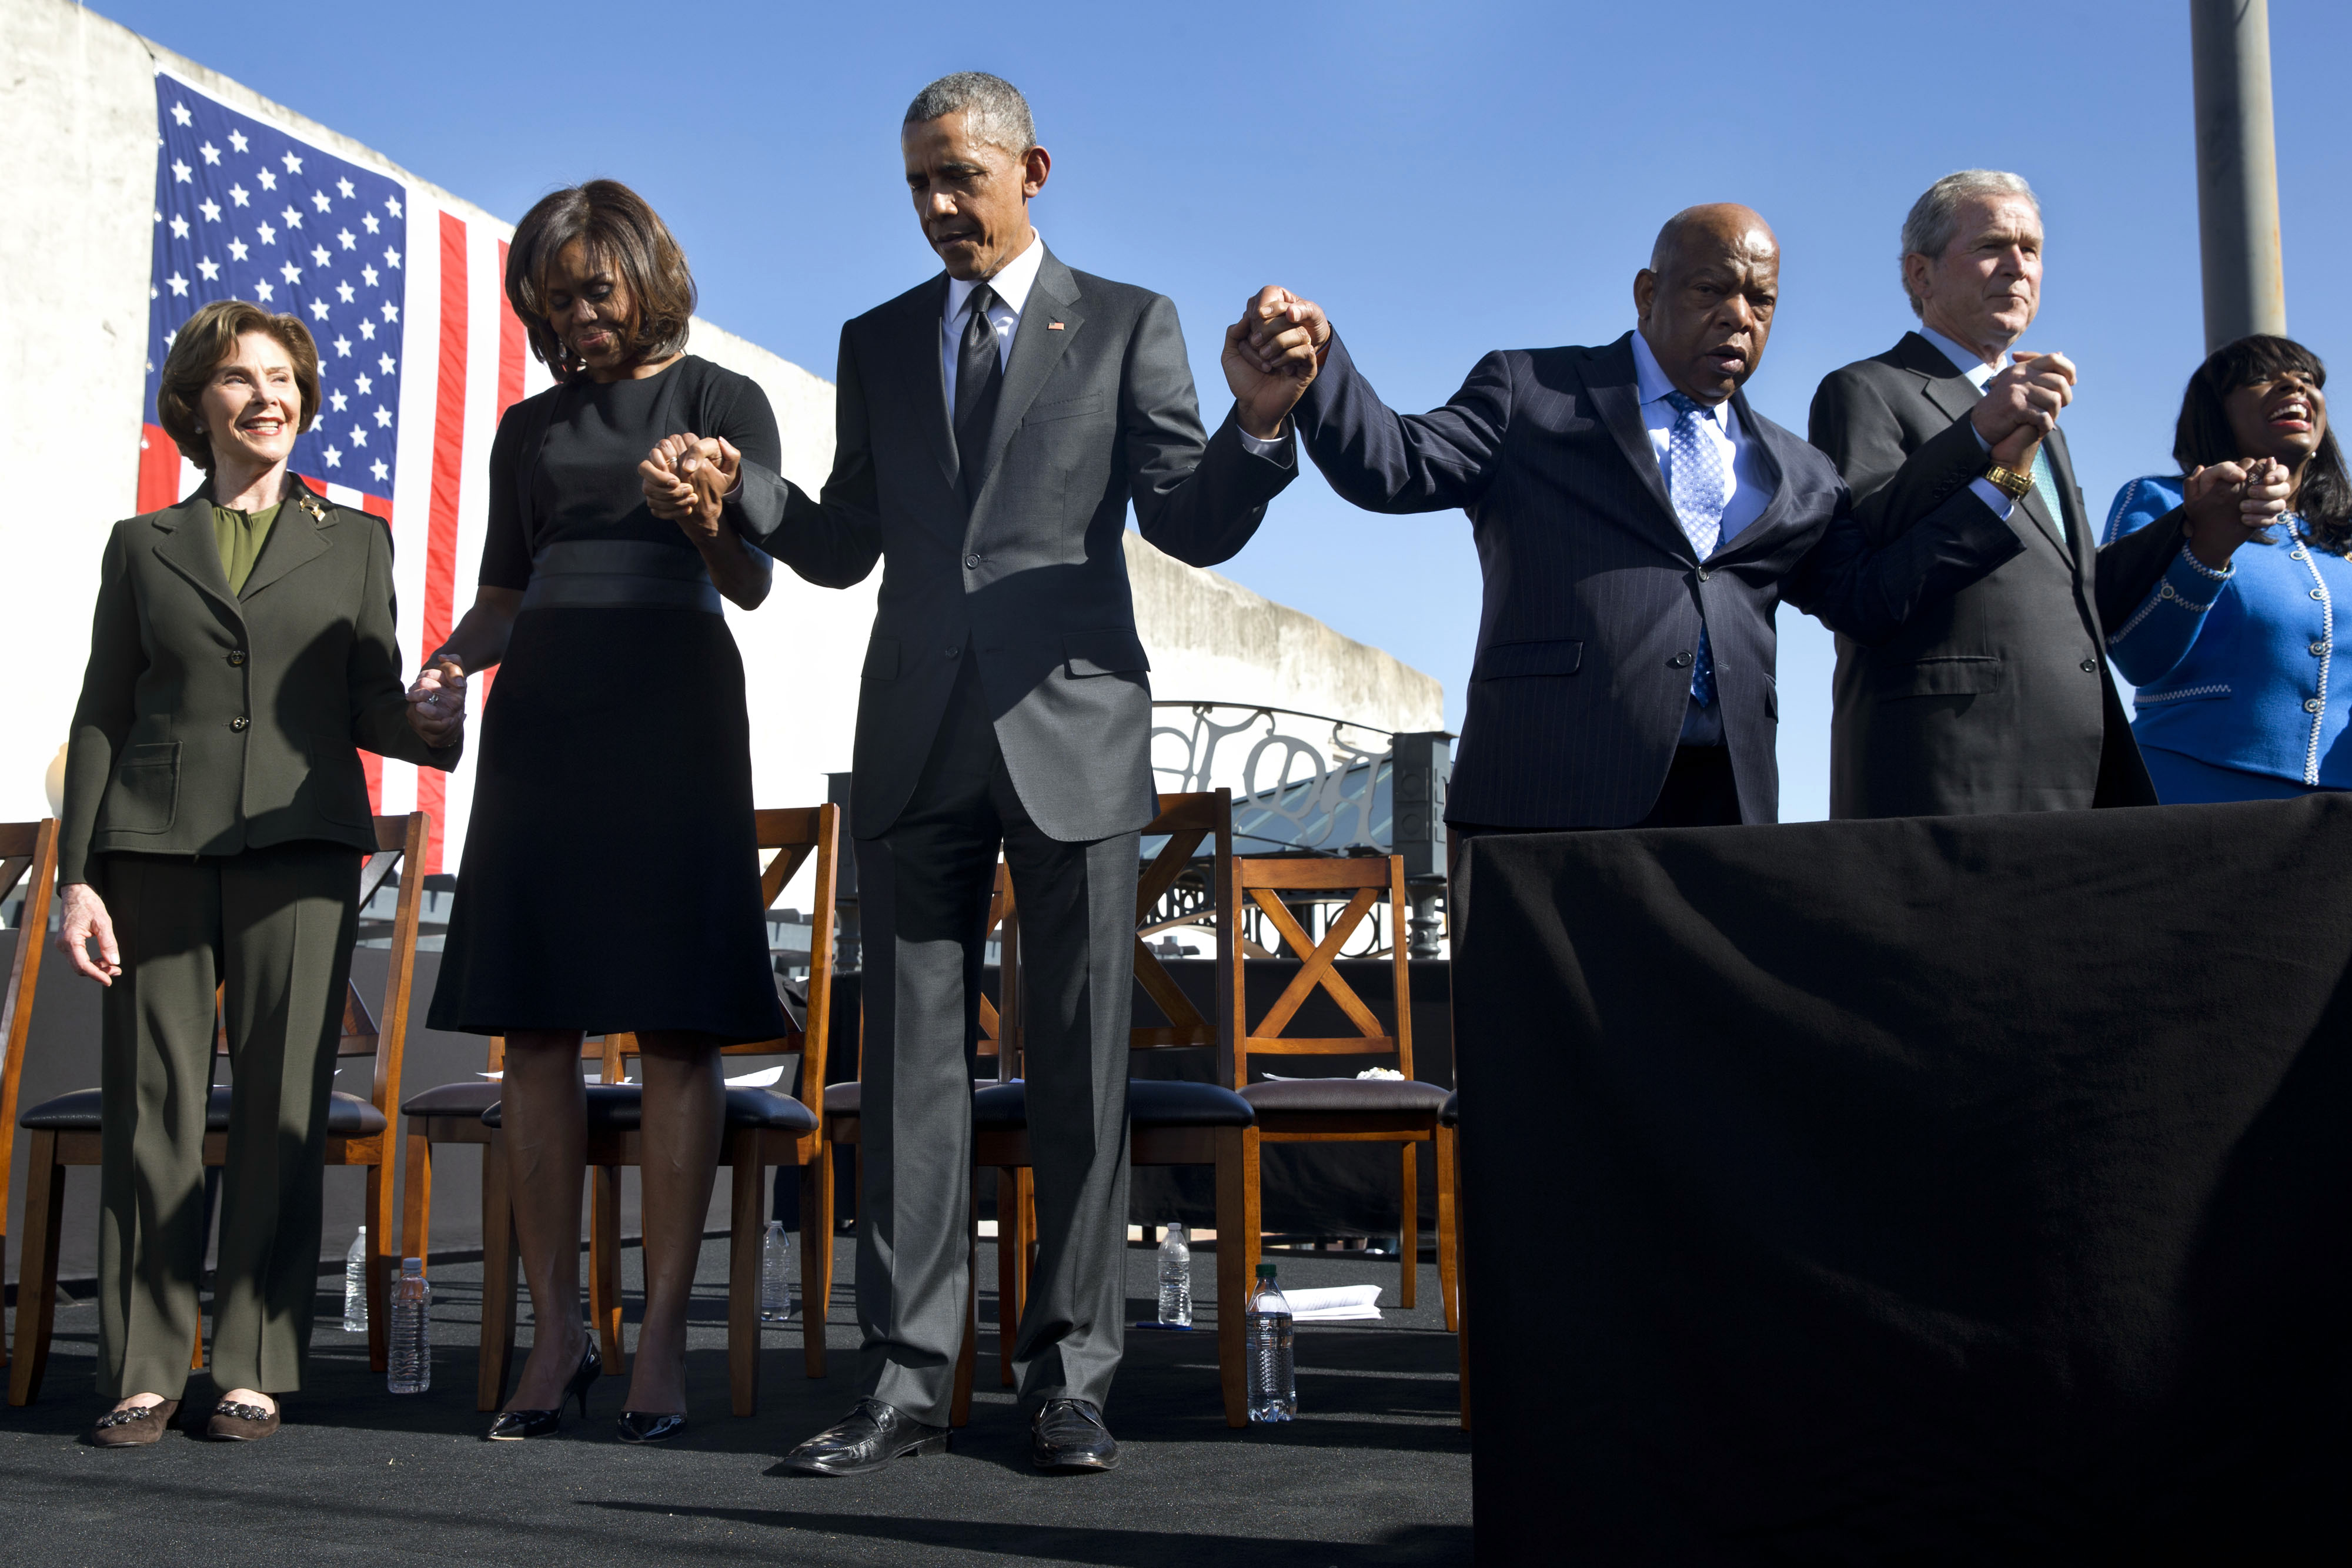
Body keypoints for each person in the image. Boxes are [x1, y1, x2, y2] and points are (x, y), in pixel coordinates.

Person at [640, 72, 1311, 1476]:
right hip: (915, 739)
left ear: (1032, 168)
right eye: (918, 185)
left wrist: (1257, 426)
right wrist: (742, 494)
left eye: (961, 176)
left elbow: (1189, 520)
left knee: (1076, 1069)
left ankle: (1070, 1378)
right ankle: (902, 1380)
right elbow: (839, 547)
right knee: (909, 1084)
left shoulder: (1130, 322)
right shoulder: (879, 340)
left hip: (1071, 734)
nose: (941, 205)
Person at [1239, 204, 2026, 872]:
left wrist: (2002, 488)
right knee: (1539, 1052)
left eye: (1762, 299)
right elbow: (1394, 466)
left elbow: (1867, 597)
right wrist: (1319, 366)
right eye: (1711, 288)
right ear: (1649, 293)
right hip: (1546, 802)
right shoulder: (1532, 393)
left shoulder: (1801, 470)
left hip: (1724, 810)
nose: (1738, 316)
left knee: (1698, 1053)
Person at [405, 180, 787, 1445]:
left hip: (674, 719)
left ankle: (662, 1334)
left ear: (646, 272)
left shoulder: (722, 401)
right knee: (536, 1031)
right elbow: (505, 597)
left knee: (678, 1028)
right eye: (549, 298)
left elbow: (750, 582)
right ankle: (558, 1330)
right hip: (543, 734)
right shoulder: (526, 431)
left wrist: (706, 514)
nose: (572, 316)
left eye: (592, 290)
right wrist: (452, 665)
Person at [55, 299, 460, 1446]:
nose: (268, 394)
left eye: (285, 377)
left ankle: (254, 1360)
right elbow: (100, 712)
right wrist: (81, 872)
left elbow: (374, 703)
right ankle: (142, 1363)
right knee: (154, 1110)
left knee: (283, 1105)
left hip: (303, 847)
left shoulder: (360, 541)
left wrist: (433, 718)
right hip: (153, 847)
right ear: (198, 404)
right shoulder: (142, 546)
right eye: (240, 377)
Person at [1809, 169, 2167, 817]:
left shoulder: (2040, 414)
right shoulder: (1865, 390)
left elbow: (2070, 591)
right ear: (1920, 275)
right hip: (1951, 766)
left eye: (2030, 250)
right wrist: (1979, 433)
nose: (2017, 267)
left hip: (2076, 769)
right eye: (1991, 247)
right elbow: (1868, 558)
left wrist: (2192, 523)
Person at [2100, 335, 2334, 802]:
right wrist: (2207, 547)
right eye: (2261, 377)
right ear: (2215, 409)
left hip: (2337, 807)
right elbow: (2136, 659)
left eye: (2307, 379)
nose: (2294, 386)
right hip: (2192, 798)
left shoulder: (2341, 535)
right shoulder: (2160, 502)